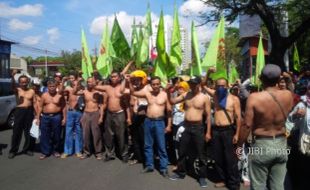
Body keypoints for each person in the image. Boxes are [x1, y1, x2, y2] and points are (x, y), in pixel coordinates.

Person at [238, 64, 294, 190]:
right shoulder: (288, 95)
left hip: (261, 144)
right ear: (279, 79)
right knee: (278, 186)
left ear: (261, 78)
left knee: (258, 185)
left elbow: (247, 125)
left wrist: (239, 146)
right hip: (281, 143)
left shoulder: (254, 98)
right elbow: (291, 91)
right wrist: (288, 78)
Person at [168, 76, 211, 188]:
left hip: (198, 127)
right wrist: (168, 91)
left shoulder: (204, 98)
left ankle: (202, 177)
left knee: (201, 153)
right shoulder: (186, 95)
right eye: (190, 83)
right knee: (182, 151)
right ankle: (181, 172)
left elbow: (208, 116)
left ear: (198, 84)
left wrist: (208, 132)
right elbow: (172, 101)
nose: (191, 85)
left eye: (193, 83)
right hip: (186, 126)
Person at [127, 75, 172, 177]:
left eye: (157, 84)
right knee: (147, 145)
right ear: (150, 85)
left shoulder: (165, 95)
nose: (155, 86)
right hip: (148, 121)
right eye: (153, 84)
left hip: (159, 122)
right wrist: (129, 82)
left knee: (161, 146)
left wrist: (169, 125)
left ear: (160, 84)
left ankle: (163, 167)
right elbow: (133, 92)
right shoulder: (147, 94)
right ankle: (149, 165)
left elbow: (169, 111)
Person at [95, 71, 129, 162]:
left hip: (120, 114)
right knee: (109, 136)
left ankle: (124, 154)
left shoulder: (122, 88)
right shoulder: (107, 87)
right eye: (112, 77)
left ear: (118, 78)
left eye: (115, 76)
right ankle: (110, 154)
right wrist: (97, 76)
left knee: (121, 135)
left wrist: (128, 117)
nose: (113, 78)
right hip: (109, 114)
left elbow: (127, 103)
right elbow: (95, 86)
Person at [8, 70, 36, 159]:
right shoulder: (17, 90)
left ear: (27, 82)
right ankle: (13, 151)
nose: (24, 83)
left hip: (29, 111)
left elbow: (35, 103)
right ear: (19, 82)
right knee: (17, 132)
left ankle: (28, 149)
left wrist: (36, 115)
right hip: (20, 111)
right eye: (22, 82)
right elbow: (12, 86)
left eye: (25, 82)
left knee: (29, 132)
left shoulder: (32, 91)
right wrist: (12, 76)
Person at [36, 79, 66, 160]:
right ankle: (45, 152)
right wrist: (38, 118)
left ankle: (56, 150)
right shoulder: (44, 95)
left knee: (57, 134)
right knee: (44, 135)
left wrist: (64, 118)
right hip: (45, 117)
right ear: (47, 87)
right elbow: (40, 107)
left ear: (56, 87)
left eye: (53, 86)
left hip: (56, 117)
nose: (52, 88)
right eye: (50, 86)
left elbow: (63, 107)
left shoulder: (60, 96)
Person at [78, 77, 104, 160]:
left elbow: (101, 105)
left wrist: (101, 117)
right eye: (88, 82)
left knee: (96, 134)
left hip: (95, 113)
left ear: (94, 82)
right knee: (85, 134)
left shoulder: (98, 93)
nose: (89, 83)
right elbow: (74, 92)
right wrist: (78, 82)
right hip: (86, 113)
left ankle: (98, 152)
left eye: (91, 82)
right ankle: (86, 152)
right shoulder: (84, 92)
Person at [61, 73, 84, 158]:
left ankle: (78, 150)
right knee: (68, 132)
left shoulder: (82, 89)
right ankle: (67, 151)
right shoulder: (69, 88)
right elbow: (71, 91)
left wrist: (79, 82)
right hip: (70, 112)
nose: (72, 80)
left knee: (79, 131)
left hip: (79, 112)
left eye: (73, 78)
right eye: (71, 79)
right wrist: (63, 81)